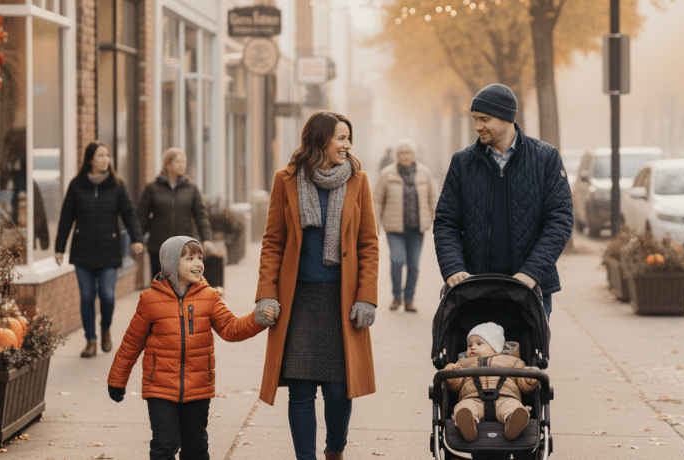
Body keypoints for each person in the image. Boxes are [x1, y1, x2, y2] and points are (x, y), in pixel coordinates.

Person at [254, 111, 379, 460]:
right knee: (301, 391)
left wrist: (367, 297)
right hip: (298, 301)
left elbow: (368, 244)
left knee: (339, 392)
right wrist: (266, 294)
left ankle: (334, 451)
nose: (347, 145)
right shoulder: (286, 180)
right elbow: (273, 242)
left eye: (349, 138)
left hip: (341, 301)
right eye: (341, 138)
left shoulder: (358, 181)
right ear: (321, 140)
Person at [107, 236, 276, 460]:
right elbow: (131, 343)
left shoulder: (209, 297)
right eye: (190, 259)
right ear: (171, 264)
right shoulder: (150, 300)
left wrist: (258, 319)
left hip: (198, 387)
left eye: (199, 258)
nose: (198, 263)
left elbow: (231, 329)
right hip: (160, 387)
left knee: (196, 449)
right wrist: (117, 381)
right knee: (164, 446)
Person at [433, 83, 573, 322]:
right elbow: (446, 222)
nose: (477, 126)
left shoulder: (545, 158)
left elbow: (559, 221)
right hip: (474, 290)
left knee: (523, 349)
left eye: (484, 119)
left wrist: (531, 273)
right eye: (475, 119)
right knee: (476, 348)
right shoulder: (462, 163)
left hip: (529, 290)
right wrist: (453, 268)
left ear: (506, 117)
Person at [55, 140, 144, 358]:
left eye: (107, 156)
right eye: (101, 156)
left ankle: (105, 328)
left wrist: (136, 238)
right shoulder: (77, 185)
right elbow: (66, 217)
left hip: (109, 250)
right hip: (82, 250)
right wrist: (59, 248)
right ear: (91, 160)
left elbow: (129, 213)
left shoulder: (117, 185)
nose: (105, 160)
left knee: (107, 296)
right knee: (87, 296)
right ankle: (91, 340)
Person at [444, 322, 538, 442]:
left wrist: (529, 379)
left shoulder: (512, 362)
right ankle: (468, 423)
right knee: (463, 407)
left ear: (496, 349)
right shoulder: (463, 364)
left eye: (479, 343)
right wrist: (451, 374)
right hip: (473, 399)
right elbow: (455, 385)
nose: (472, 347)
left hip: (505, 397)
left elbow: (522, 382)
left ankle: (513, 422)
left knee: (513, 407)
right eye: (469, 345)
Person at [373, 139, 438, 312]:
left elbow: (433, 199)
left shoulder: (425, 173)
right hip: (394, 229)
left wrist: (438, 222)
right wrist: (375, 223)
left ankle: (409, 300)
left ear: (414, 155)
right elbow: (377, 201)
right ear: (396, 155)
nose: (405, 156)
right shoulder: (387, 174)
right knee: (397, 261)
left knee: (413, 265)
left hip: (417, 229)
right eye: (401, 152)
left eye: (409, 152)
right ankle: (396, 297)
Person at [137, 147, 219, 279]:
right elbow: (141, 216)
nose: (182, 165)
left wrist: (206, 239)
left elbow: (201, 216)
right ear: (168, 165)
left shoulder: (191, 189)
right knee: (161, 285)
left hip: (184, 248)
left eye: (183, 162)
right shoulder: (153, 188)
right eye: (177, 162)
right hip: (159, 247)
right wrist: (137, 239)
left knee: (182, 284)